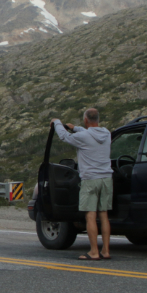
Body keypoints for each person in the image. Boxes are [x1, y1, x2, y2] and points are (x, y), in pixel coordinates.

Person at [51, 108, 113, 261]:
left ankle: (93, 251)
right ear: (97, 120)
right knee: (104, 215)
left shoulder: (83, 136)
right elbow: (89, 132)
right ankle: (105, 250)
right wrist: (75, 127)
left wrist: (57, 122)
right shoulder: (107, 133)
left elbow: (64, 137)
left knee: (90, 215)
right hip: (106, 178)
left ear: (86, 120)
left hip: (90, 179)